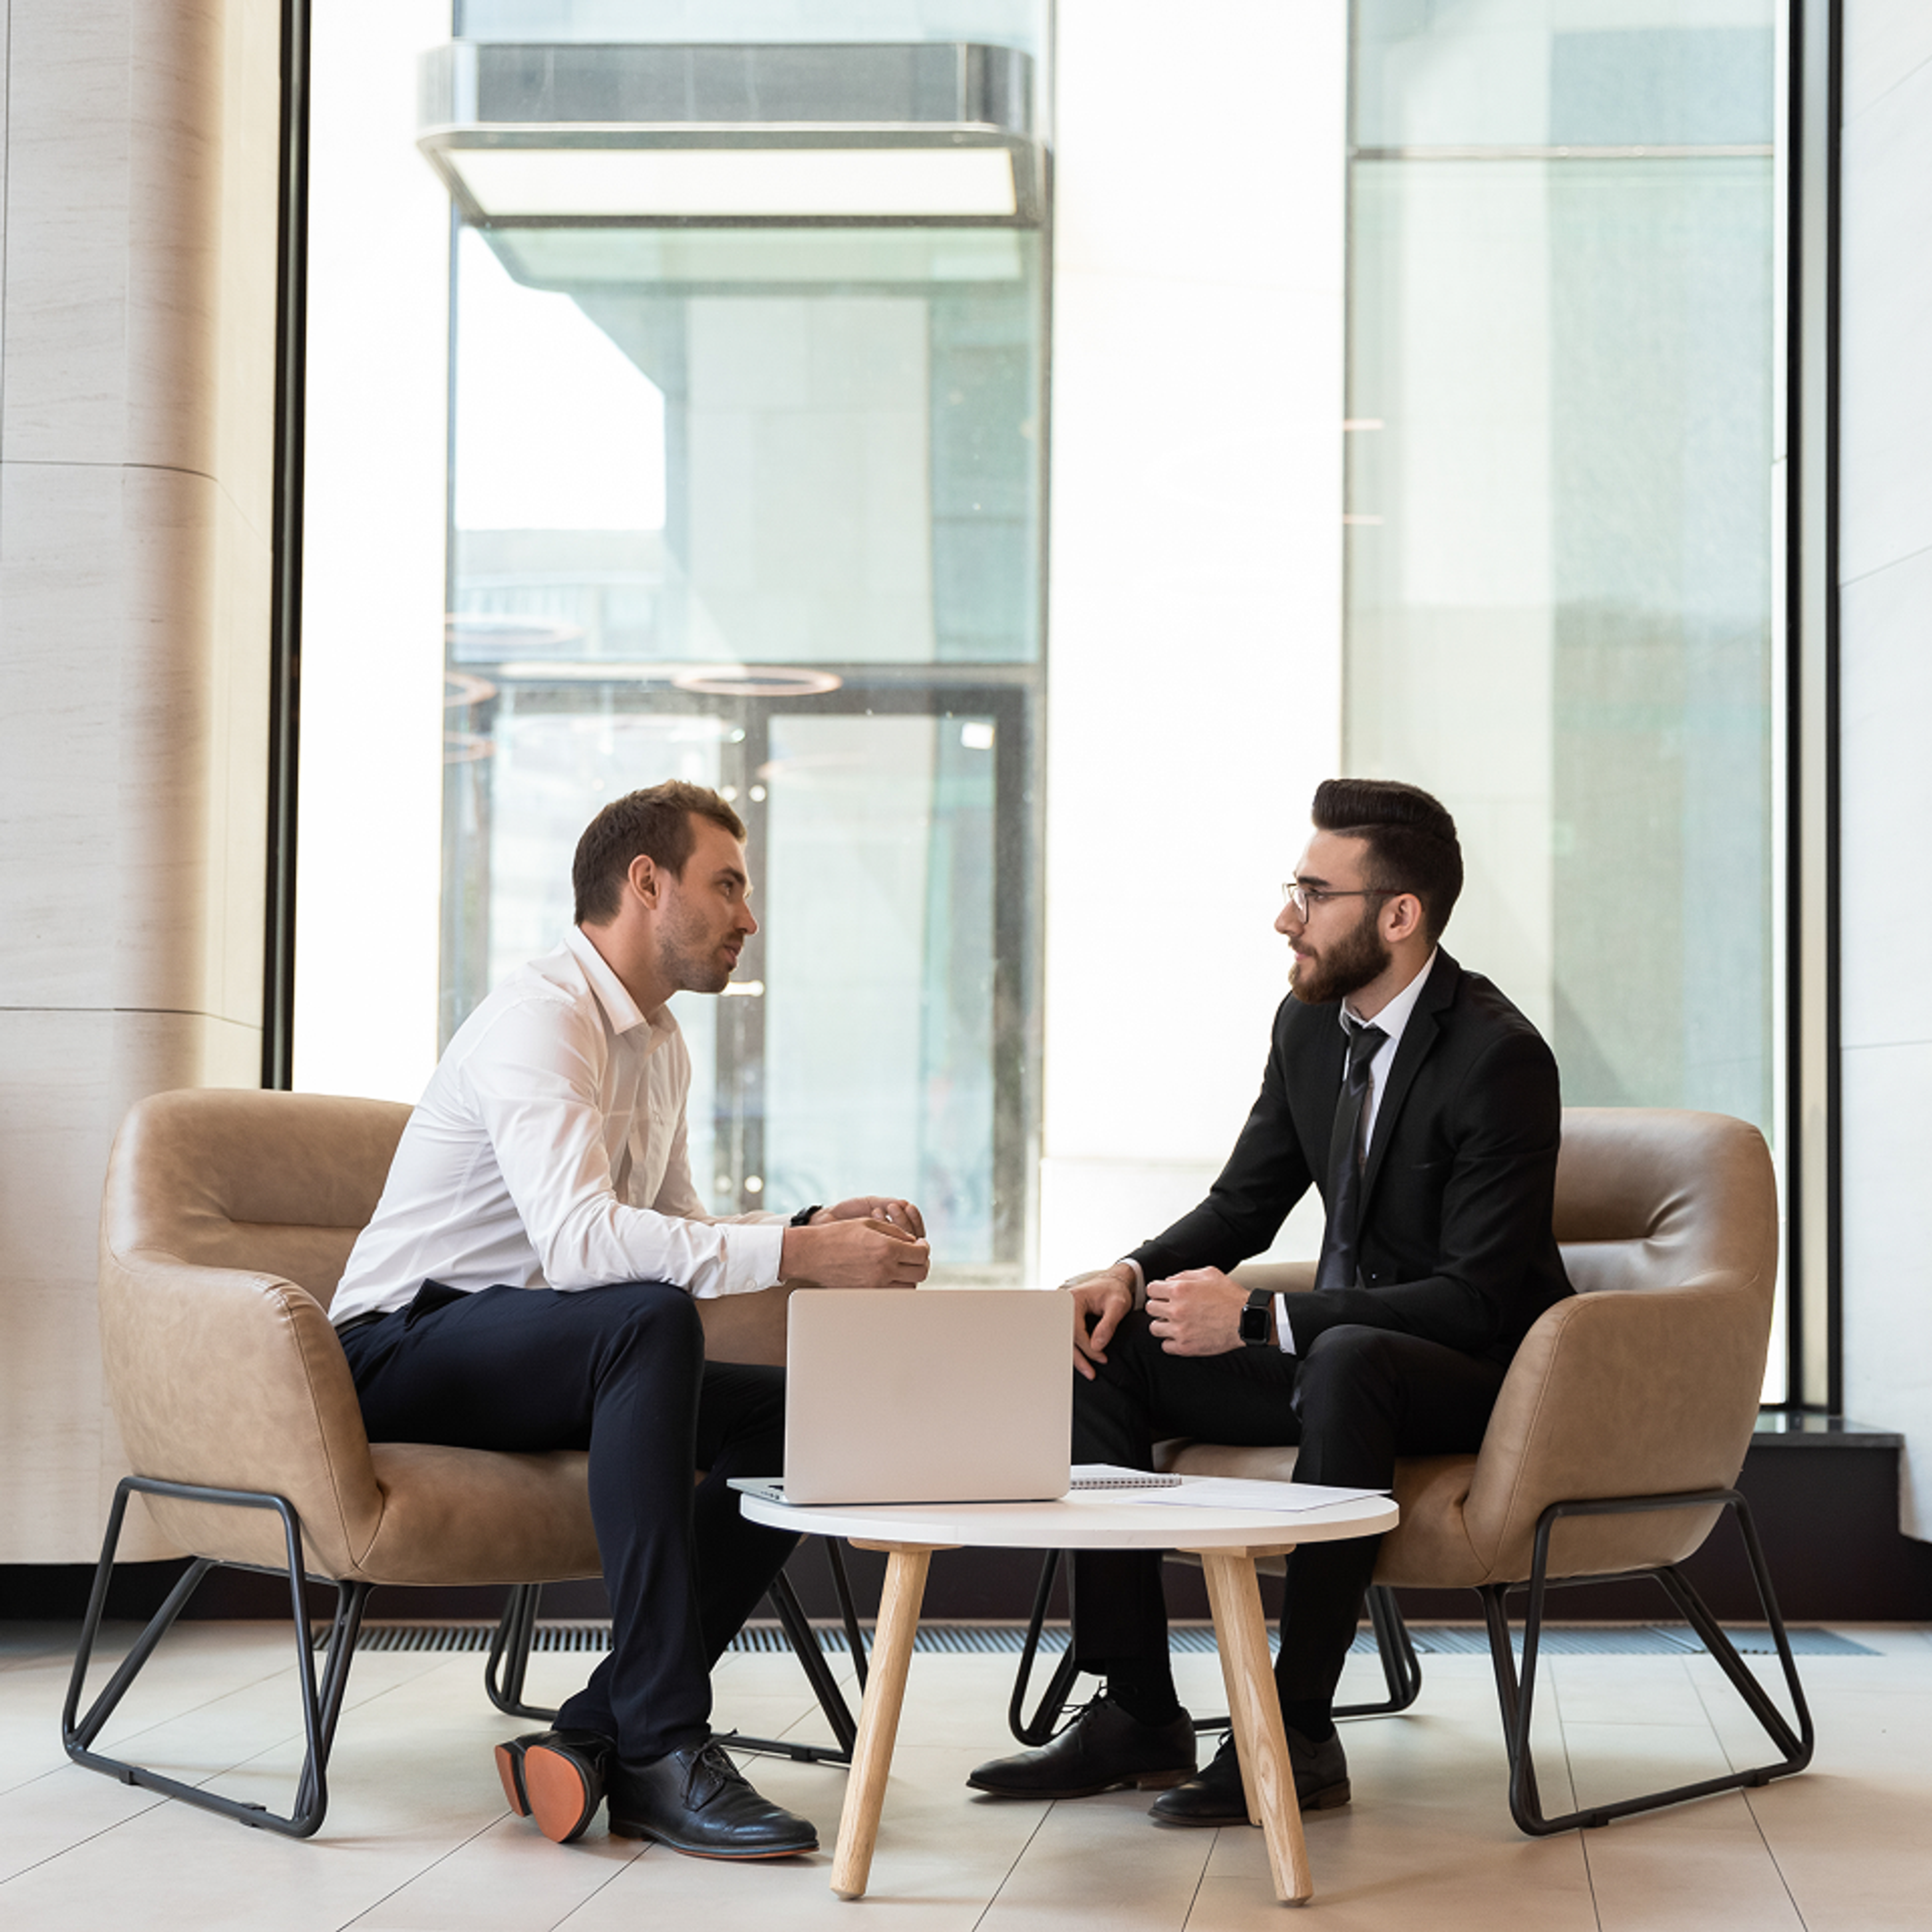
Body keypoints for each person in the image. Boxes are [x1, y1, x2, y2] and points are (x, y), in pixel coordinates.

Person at [328, 780, 930, 1859]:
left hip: (543, 1348)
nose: (749, 917)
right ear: (645, 883)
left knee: (794, 1422)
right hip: (398, 1345)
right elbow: (583, 1248)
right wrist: (801, 1255)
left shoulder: (658, 1042)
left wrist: (806, 1225)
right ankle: (662, 1740)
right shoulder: (540, 1017)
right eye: (729, 884)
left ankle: (601, 1725)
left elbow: (672, 1229)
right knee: (646, 1320)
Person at [967, 777, 1571, 1822]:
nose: (1283, 916)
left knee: (1345, 1358)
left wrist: (1258, 1317)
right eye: (1290, 887)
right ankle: (1137, 1708)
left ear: (1398, 915)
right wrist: (1126, 1272)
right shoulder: (1307, 1031)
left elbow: (1474, 1299)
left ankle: (1293, 1731)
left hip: (1467, 1374)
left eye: (1310, 892)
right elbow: (1241, 1204)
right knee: (1107, 1344)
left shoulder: (1499, 1058)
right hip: (1335, 1360)